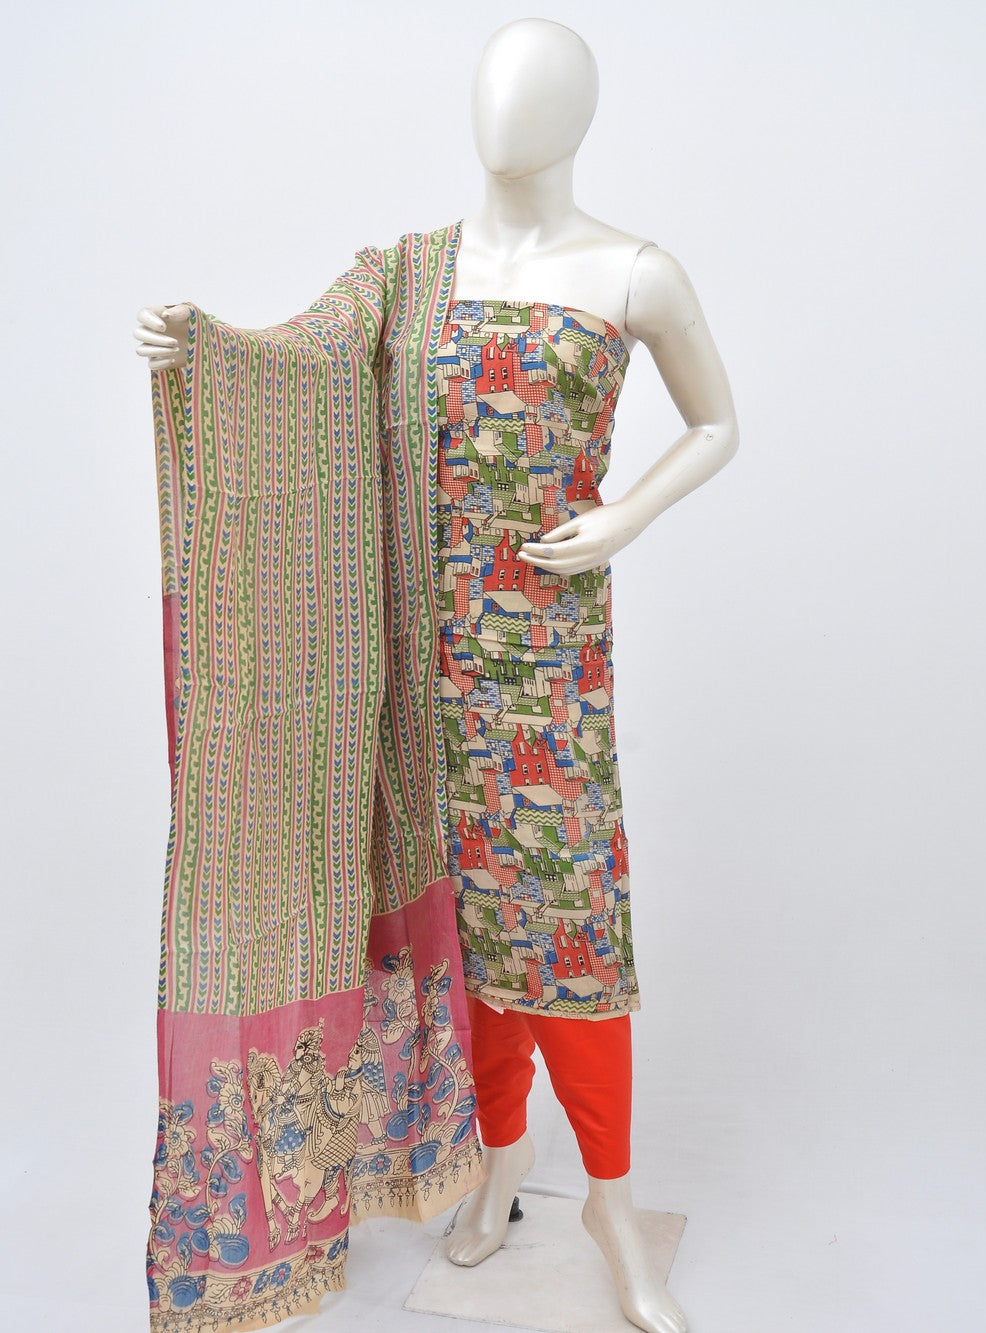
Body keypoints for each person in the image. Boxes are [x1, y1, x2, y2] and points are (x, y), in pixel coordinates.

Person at [135, 19, 738, 1333]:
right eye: (492, 89)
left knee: (567, 931)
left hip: (547, 670)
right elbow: (298, 362)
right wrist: (205, 352)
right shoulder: (406, 277)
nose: (506, 114)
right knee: (460, 934)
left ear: (579, 115)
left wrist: (625, 517)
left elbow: (717, 422)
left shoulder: (635, 271)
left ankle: (613, 1203)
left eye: (537, 93)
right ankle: (497, 1159)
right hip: (414, 672)